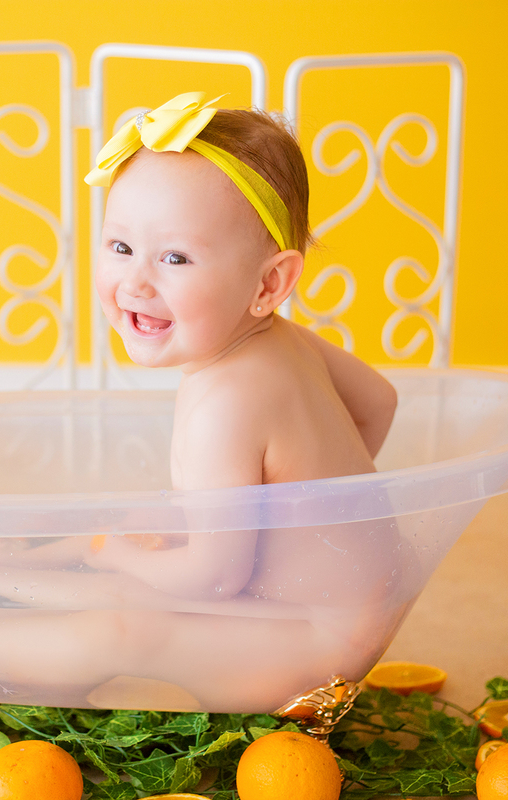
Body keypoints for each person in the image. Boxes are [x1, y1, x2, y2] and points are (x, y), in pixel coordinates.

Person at [85, 92, 398, 601]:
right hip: (365, 601)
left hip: (298, 640)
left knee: (124, 615)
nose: (136, 282)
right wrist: (313, 515)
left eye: (176, 258)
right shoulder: (287, 340)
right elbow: (380, 401)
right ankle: (16, 565)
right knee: (146, 529)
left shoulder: (223, 405)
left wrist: (118, 559)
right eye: (121, 248)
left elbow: (214, 579)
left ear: (269, 285)